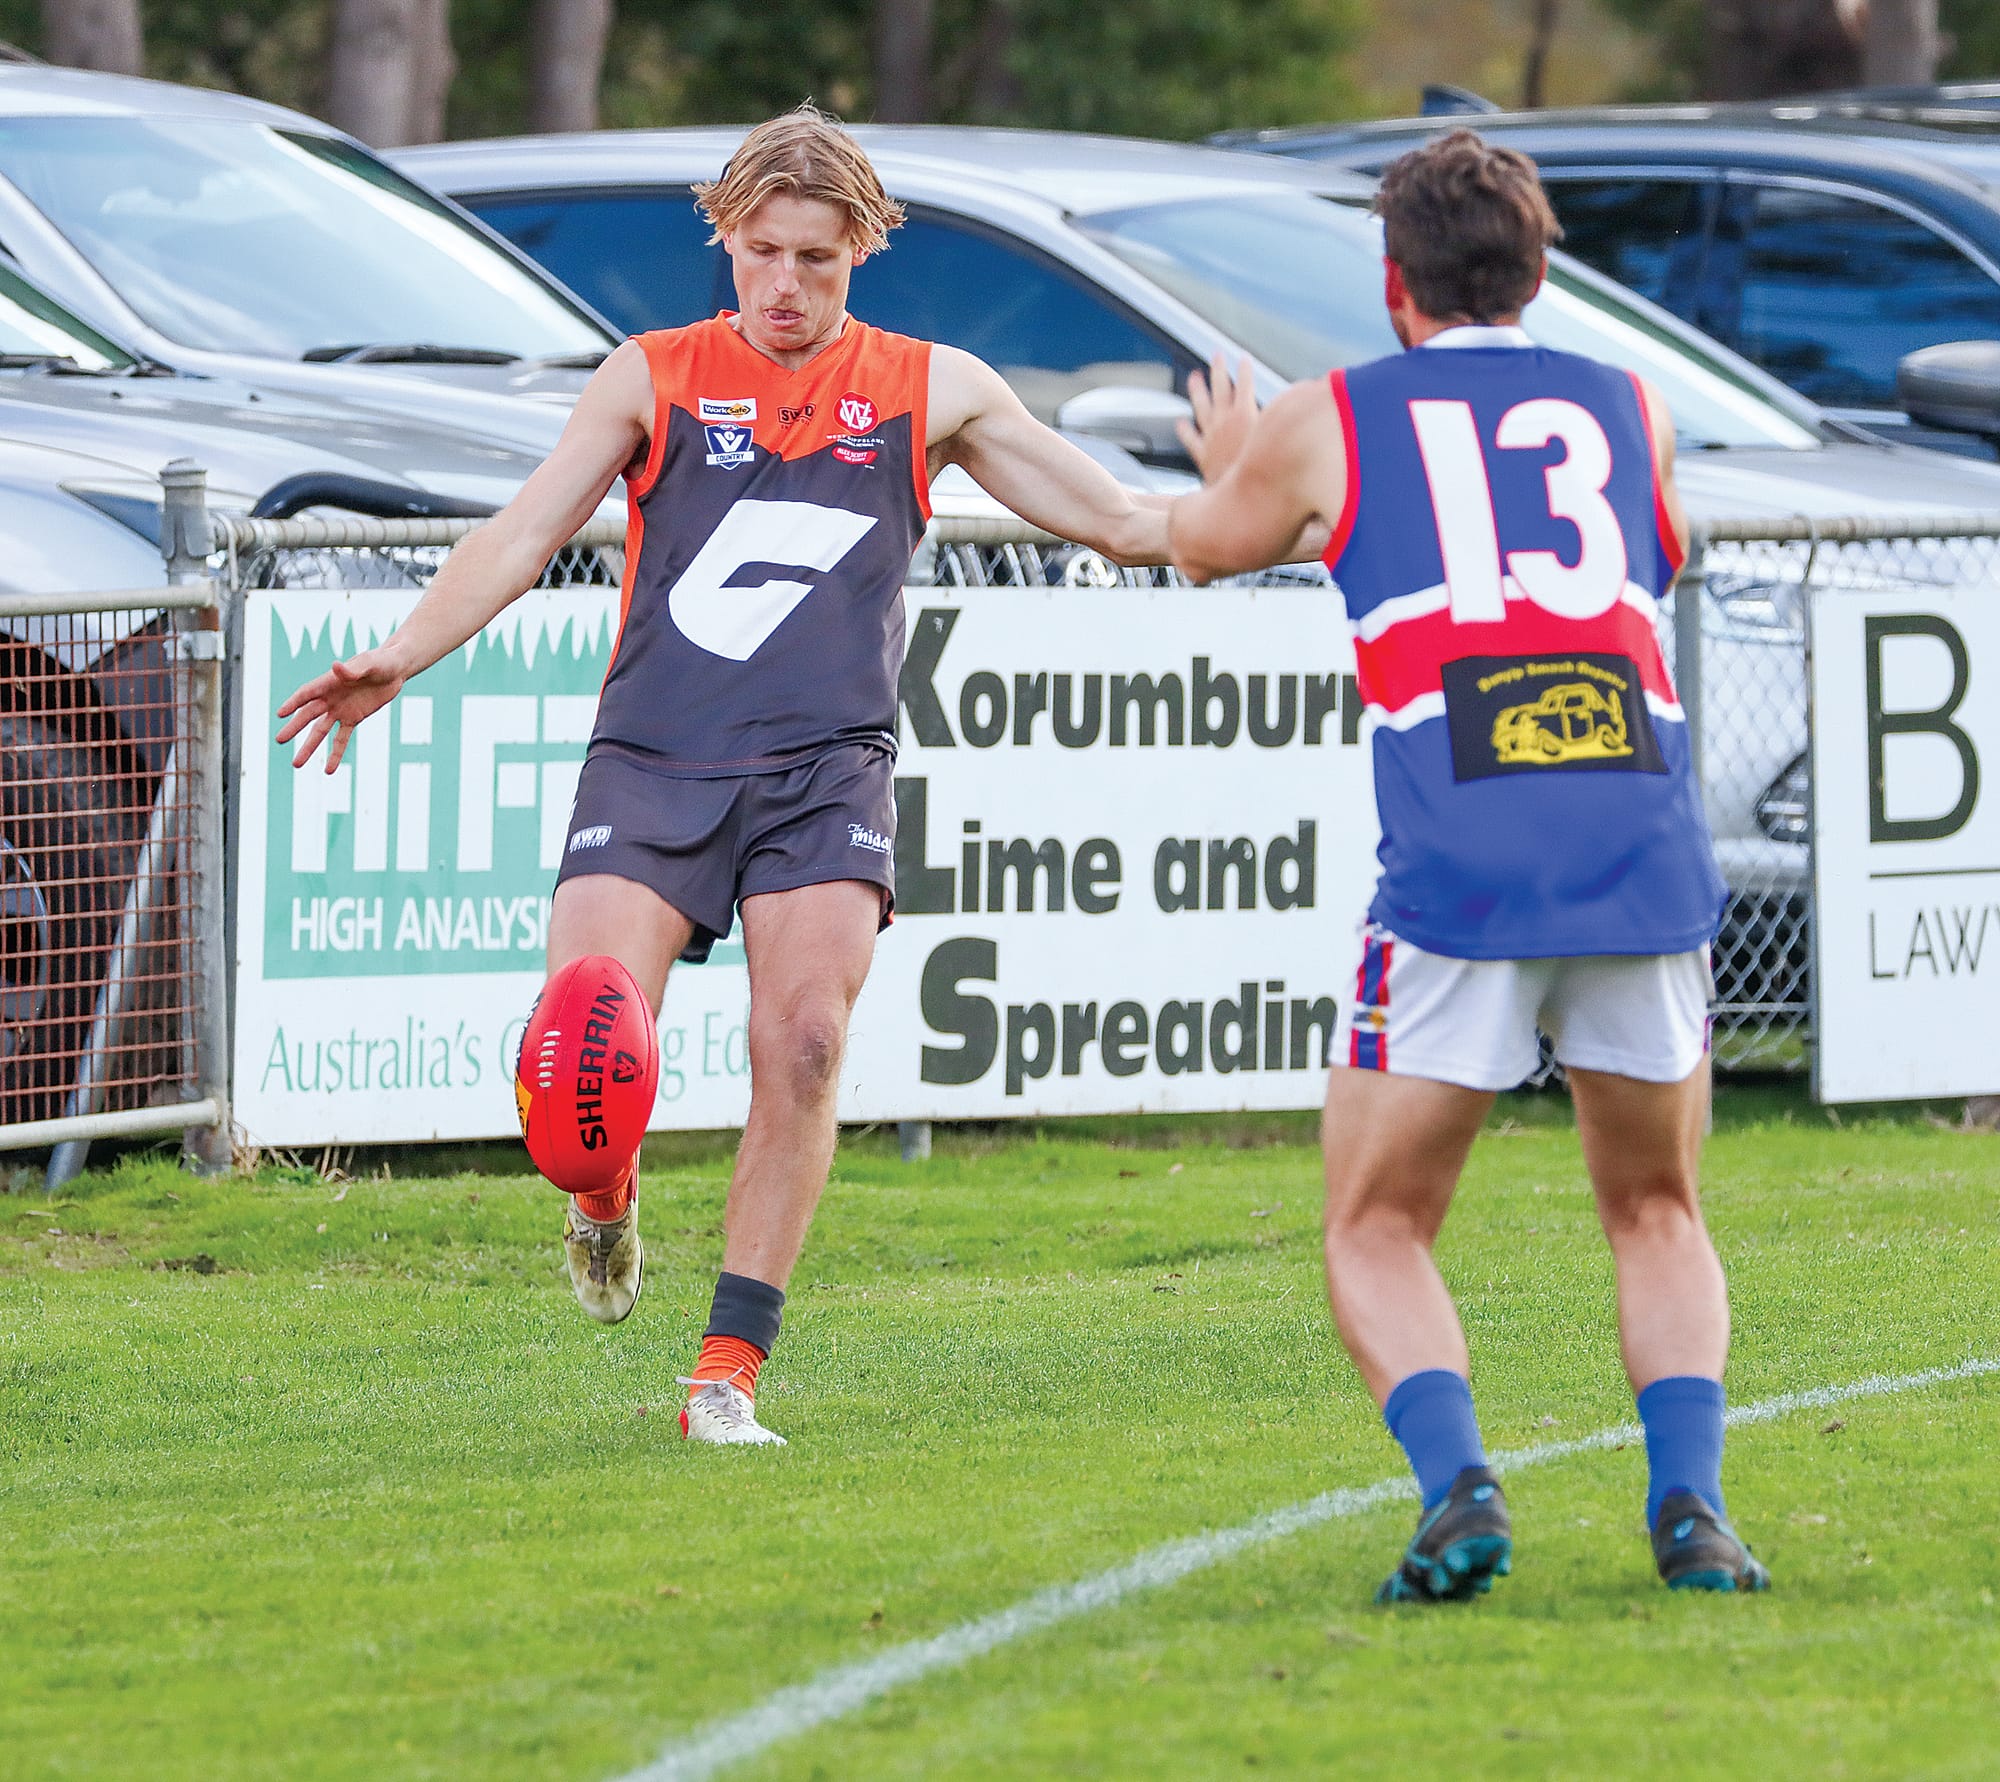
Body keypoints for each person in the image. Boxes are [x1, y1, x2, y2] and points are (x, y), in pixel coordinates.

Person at [278, 105, 1169, 1447]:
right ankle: (602, 1195)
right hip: (655, 753)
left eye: (818, 257)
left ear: (861, 248)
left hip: (827, 767)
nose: (789, 285)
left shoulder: (936, 386)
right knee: (582, 1031)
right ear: (727, 243)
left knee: (804, 1042)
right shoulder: (653, 374)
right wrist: (399, 654)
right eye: (762, 253)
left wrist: (1280, 507)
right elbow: (524, 533)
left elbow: (1123, 517)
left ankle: (724, 1376)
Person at [1166, 129, 1768, 1599]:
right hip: (1635, 834)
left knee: (1376, 1219)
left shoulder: (1335, 416)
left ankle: (1459, 1488)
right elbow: (1653, 548)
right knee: (1657, 1205)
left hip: (1468, 856)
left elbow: (1200, 544)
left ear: (1393, 287)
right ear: (1542, 270)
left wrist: (1231, 461)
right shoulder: (1637, 406)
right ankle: (1691, 1508)